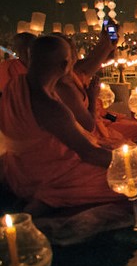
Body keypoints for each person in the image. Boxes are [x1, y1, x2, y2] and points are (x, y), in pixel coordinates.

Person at [0, 37, 122, 210]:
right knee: (132, 180)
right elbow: (88, 153)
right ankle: (48, 200)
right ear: (65, 65)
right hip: (47, 176)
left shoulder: (14, 85)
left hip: (17, 170)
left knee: (116, 151)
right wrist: (134, 167)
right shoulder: (49, 105)